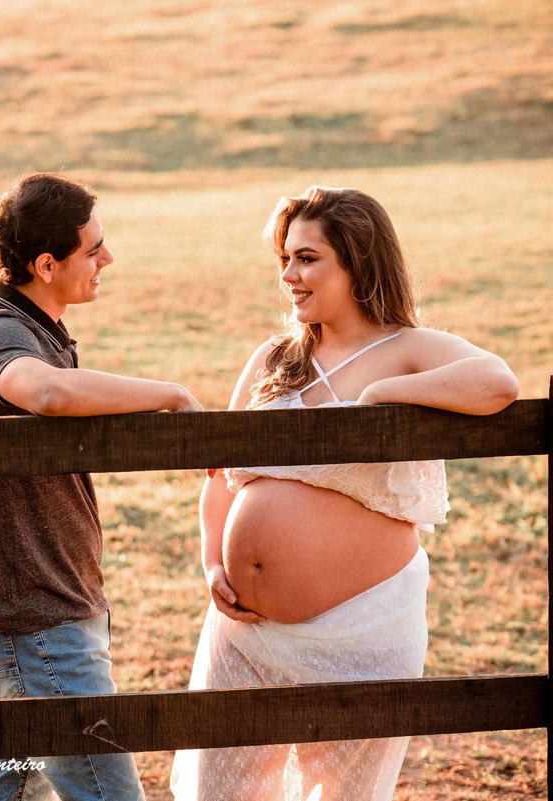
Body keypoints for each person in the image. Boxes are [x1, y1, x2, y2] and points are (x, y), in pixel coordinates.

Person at [169, 186, 519, 801]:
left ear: (356, 260)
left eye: (306, 258)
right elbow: (221, 473)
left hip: (360, 634)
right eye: (285, 259)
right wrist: (211, 559)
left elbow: (497, 382)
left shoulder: (406, 348)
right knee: (222, 792)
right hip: (246, 632)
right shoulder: (276, 357)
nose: (288, 275)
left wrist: (384, 398)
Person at [0, 172, 202, 801]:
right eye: (92, 249)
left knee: (17, 792)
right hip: (36, 615)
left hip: (37, 605)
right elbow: (48, 394)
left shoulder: (40, 329)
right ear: (44, 263)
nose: (107, 259)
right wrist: (169, 394)